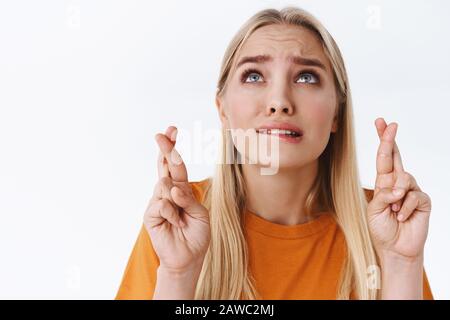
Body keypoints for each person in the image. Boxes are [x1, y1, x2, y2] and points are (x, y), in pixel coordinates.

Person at [116, 6, 433, 300]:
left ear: (337, 112)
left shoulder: (385, 225)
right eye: (254, 76)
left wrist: (401, 264)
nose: (279, 101)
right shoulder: (177, 221)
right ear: (223, 111)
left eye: (306, 77)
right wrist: (178, 274)